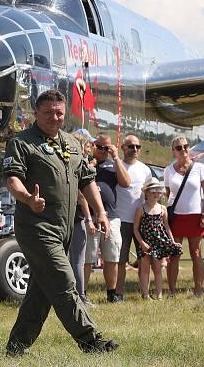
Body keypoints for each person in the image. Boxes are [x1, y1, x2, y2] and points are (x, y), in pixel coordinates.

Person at [3, 89, 118, 355]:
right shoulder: (22, 143)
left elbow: (88, 181)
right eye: (48, 113)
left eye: (59, 113)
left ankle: (16, 348)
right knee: (65, 283)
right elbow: (12, 179)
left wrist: (100, 212)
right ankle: (91, 341)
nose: (54, 118)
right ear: (36, 113)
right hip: (37, 228)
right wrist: (27, 199)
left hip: (64, 229)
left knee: (41, 292)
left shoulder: (72, 143)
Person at [83, 132, 130, 303]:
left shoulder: (113, 164)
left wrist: (116, 158)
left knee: (112, 257)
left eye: (106, 148)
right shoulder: (86, 163)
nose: (103, 150)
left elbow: (126, 182)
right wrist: (92, 163)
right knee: (87, 258)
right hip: (90, 217)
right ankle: (83, 294)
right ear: (93, 146)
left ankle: (112, 293)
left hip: (111, 217)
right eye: (100, 147)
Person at [164, 136, 204, 297]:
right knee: (174, 254)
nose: (183, 150)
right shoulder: (168, 170)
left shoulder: (199, 167)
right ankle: (171, 291)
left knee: (195, 253)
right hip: (176, 216)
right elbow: (168, 194)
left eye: (185, 146)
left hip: (195, 215)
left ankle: (198, 290)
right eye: (179, 148)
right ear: (173, 151)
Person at [115, 134, 152, 299]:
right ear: (123, 148)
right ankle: (118, 294)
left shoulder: (145, 169)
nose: (135, 149)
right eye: (131, 146)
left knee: (144, 259)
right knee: (120, 260)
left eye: (138, 146)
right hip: (120, 220)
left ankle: (145, 293)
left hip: (141, 220)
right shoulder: (115, 166)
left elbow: (151, 194)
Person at [134, 178, 183, 299]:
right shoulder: (141, 209)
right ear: (146, 192)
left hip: (159, 243)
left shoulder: (163, 209)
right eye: (153, 190)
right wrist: (142, 243)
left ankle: (159, 295)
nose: (156, 193)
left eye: (158, 191)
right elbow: (135, 228)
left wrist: (172, 242)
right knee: (145, 269)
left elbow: (167, 227)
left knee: (158, 269)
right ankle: (145, 295)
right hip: (146, 242)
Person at [68, 130, 94, 307]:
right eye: (88, 144)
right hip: (76, 217)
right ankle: (81, 297)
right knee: (78, 259)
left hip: (64, 215)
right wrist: (90, 218)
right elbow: (82, 196)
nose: (90, 147)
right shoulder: (80, 164)